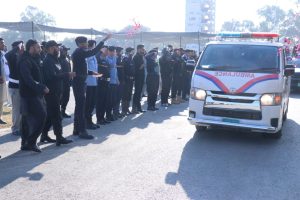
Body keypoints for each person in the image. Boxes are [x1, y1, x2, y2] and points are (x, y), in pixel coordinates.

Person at [72, 34, 111, 139]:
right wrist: (104, 40)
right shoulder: (79, 52)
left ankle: (76, 129)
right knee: (81, 107)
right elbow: (93, 52)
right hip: (78, 82)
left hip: (80, 81)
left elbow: (80, 69)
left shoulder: (79, 52)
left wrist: (91, 73)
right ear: (80, 44)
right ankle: (82, 131)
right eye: (84, 43)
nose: (86, 45)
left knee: (79, 107)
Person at [41, 40, 74, 146]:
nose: (58, 49)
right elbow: (51, 76)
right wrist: (67, 74)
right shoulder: (48, 61)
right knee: (56, 116)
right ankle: (59, 137)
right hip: (51, 93)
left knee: (51, 116)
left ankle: (44, 135)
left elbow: (57, 74)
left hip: (57, 91)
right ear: (50, 48)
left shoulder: (55, 59)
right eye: (56, 47)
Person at [19, 39, 49, 152]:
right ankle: (31, 142)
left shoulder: (34, 58)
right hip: (29, 95)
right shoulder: (25, 61)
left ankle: (25, 143)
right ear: (31, 47)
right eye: (37, 47)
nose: (40, 49)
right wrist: (41, 87)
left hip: (35, 93)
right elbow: (28, 79)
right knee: (42, 116)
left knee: (27, 119)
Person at [5, 41, 24, 135]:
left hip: (21, 86)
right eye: (21, 46)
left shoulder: (20, 57)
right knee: (16, 109)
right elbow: (8, 54)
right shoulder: (12, 56)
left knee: (21, 108)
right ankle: (15, 128)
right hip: (14, 86)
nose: (22, 48)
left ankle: (20, 127)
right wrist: (17, 47)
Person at [85, 40, 100, 130]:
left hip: (94, 82)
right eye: (94, 46)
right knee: (88, 103)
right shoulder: (87, 55)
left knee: (92, 103)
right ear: (91, 46)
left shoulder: (93, 55)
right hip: (88, 82)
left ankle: (90, 121)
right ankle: (87, 122)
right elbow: (85, 69)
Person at [96, 46, 111, 125]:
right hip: (101, 82)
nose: (108, 52)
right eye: (107, 50)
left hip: (106, 82)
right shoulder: (98, 58)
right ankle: (99, 119)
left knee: (105, 101)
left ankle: (102, 117)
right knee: (100, 101)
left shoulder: (106, 60)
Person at [106, 46, 119, 121]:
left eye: (114, 51)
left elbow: (115, 69)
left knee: (113, 99)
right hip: (109, 81)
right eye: (113, 51)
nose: (114, 53)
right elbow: (111, 66)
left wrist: (117, 79)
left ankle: (111, 114)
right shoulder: (107, 58)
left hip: (114, 81)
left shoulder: (114, 58)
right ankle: (108, 115)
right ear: (109, 51)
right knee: (109, 100)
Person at [59, 45, 72, 118]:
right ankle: (59, 113)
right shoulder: (58, 59)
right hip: (61, 82)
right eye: (65, 50)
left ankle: (63, 111)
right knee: (60, 98)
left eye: (67, 50)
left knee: (66, 98)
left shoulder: (67, 58)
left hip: (67, 81)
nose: (66, 52)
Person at [132, 44, 146, 113]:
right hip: (137, 77)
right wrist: (144, 63)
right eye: (142, 49)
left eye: (143, 49)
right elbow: (138, 68)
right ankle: (134, 108)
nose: (143, 50)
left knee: (139, 93)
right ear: (138, 49)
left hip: (141, 77)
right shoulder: (136, 57)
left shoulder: (141, 56)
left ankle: (138, 107)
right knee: (137, 93)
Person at [121, 47, 135, 115]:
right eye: (132, 51)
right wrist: (123, 79)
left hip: (131, 80)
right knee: (125, 95)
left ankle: (127, 109)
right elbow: (123, 70)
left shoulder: (131, 59)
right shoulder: (125, 59)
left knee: (129, 95)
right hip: (126, 79)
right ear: (129, 52)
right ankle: (124, 110)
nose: (133, 53)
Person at [115, 47, 125, 118]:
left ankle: (117, 111)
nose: (122, 52)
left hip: (122, 79)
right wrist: (121, 66)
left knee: (119, 97)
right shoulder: (116, 58)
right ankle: (116, 112)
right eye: (121, 51)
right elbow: (114, 67)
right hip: (117, 79)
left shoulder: (121, 57)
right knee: (117, 97)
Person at [0, 38, 8, 125]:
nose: (3, 45)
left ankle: (0, 117)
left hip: (3, 79)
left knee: (1, 99)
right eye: (1, 43)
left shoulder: (2, 54)